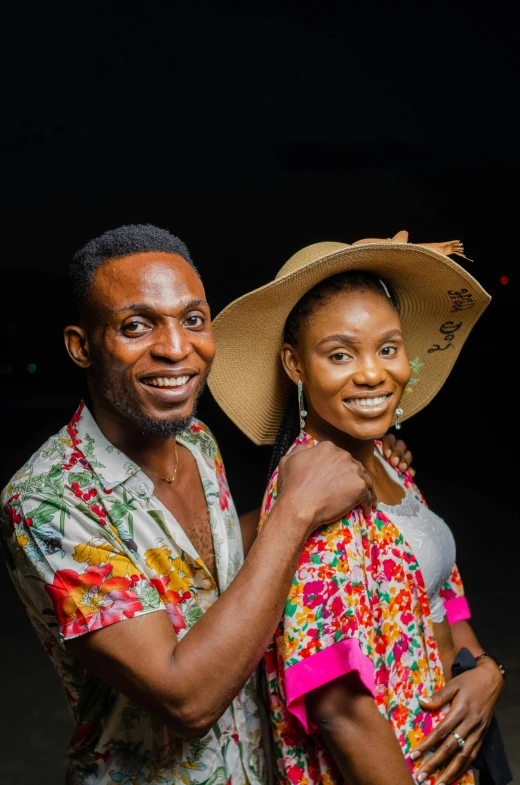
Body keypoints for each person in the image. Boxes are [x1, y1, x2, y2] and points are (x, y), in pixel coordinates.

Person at [0, 224, 414, 785]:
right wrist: (295, 509)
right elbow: (187, 699)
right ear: (81, 345)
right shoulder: (46, 500)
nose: (176, 348)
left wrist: (356, 463)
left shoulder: (193, 439)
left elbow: (211, 566)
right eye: (137, 325)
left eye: (193, 319)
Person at [208, 232, 508, 785]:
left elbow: (442, 594)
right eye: (341, 354)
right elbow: (338, 708)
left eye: (387, 348)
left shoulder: (389, 464)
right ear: (295, 365)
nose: (373, 374)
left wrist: (487, 673)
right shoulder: (314, 495)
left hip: (454, 756)